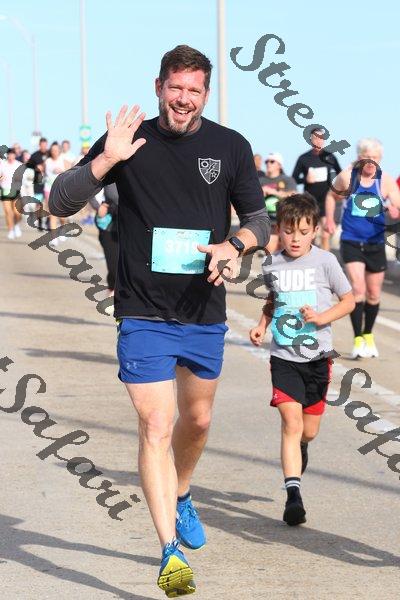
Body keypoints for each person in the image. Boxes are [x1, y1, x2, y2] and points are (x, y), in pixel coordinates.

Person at [49, 44, 270, 597]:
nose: (184, 99)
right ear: (159, 87)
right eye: (176, 87)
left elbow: (259, 220)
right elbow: (58, 202)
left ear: (205, 94)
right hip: (142, 310)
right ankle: (170, 550)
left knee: (197, 421)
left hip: (203, 309)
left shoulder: (230, 146)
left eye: (194, 90)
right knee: (155, 425)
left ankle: (184, 491)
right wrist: (106, 160)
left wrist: (235, 245)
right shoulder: (129, 140)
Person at [250, 194, 354, 526]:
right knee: (291, 424)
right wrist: (262, 325)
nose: (295, 239)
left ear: (315, 231)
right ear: (278, 229)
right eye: (289, 231)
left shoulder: (326, 262)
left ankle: (302, 448)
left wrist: (322, 317)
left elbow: (349, 300)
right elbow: (273, 300)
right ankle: (293, 495)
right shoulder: (272, 264)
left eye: (303, 232)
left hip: (317, 358)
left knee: (308, 431)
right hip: (284, 356)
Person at [325, 138, 400, 359]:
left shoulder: (385, 181)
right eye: (367, 158)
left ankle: (368, 334)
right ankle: (358, 338)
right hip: (351, 241)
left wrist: (394, 210)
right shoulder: (348, 177)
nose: (371, 162)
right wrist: (329, 219)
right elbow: (331, 195)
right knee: (358, 289)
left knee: (374, 294)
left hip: (375, 243)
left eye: (375, 158)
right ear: (359, 157)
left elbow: (397, 204)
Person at [292, 128, 341, 250]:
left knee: (325, 234)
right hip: (310, 201)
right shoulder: (303, 158)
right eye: (315, 138)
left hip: (326, 200)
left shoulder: (330, 157)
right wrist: (305, 179)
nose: (318, 141)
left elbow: (341, 174)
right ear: (311, 140)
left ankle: (325, 258)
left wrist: (335, 185)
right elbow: (294, 179)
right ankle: (310, 257)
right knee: (310, 234)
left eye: (321, 138)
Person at [259, 152, 296, 253]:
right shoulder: (260, 181)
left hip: (285, 218)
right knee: (270, 250)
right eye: (266, 162)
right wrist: (260, 194)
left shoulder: (287, 180)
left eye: (272, 161)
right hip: (268, 220)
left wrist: (273, 192)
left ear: (279, 165)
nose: (268, 164)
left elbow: (293, 195)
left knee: (286, 251)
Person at [44, 142, 68, 246]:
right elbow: (43, 173)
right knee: (52, 212)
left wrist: (62, 171)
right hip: (49, 189)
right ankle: (53, 237)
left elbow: (70, 173)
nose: (54, 152)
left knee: (61, 214)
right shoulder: (47, 161)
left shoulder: (63, 160)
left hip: (61, 189)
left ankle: (62, 228)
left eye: (56, 150)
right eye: (52, 150)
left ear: (59, 151)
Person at [0, 148, 23, 239]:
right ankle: (10, 230)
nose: (11, 156)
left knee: (17, 213)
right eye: (9, 154)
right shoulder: (2, 164)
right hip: (5, 190)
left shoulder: (19, 165)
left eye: (12, 154)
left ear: (15, 155)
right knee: (8, 212)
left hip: (15, 190)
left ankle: (16, 225)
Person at [26, 137, 48, 230]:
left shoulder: (50, 154)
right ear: (39, 145)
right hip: (38, 182)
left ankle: (48, 221)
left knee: (48, 202)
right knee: (39, 203)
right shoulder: (34, 155)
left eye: (45, 145)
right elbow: (28, 166)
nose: (44, 147)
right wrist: (36, 167)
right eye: (42, 145)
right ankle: (40, 222)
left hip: (49, 182)